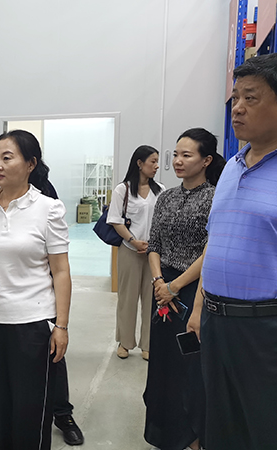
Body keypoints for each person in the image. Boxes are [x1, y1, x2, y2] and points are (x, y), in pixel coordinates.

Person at [187, 53, 277, 450]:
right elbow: (216, 240)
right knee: (222, 427)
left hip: (264, 329)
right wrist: (199, 308)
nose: (237, 108)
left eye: (250, 98)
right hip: (216, 323)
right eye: (235, 97)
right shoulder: (231, 168)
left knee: (264, 428)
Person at [0, 129, 71, 450]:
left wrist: (62, 326)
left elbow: (61, 271)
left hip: (32, 325)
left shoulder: (48, 208)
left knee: (30, 413)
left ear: (30, 164)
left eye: (7, 158)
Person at [144, 128, 224, 450]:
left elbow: (210, 251)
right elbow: (154, 245)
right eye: (176, 154)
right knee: (162, 362)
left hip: (192, 292)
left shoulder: (215, 198)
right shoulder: (166, 197)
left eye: (186, 155)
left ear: (206, 160)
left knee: (188, 365)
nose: (177, 160)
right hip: (162, 290)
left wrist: (175, 286)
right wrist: (159, 282)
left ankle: (190, 434)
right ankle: (162, 430)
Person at [107, 146, 164, 360]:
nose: (156, 166)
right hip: (130, 250)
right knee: (127, 298)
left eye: (157, 161)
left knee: (151, 299)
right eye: (153, 161)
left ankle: (148, 344)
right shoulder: (122, 190)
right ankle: (125, 342)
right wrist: (133, 241)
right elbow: (115, 220)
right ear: (139, 163)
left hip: (154, 253)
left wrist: (153, 245)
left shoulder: (161, 190)